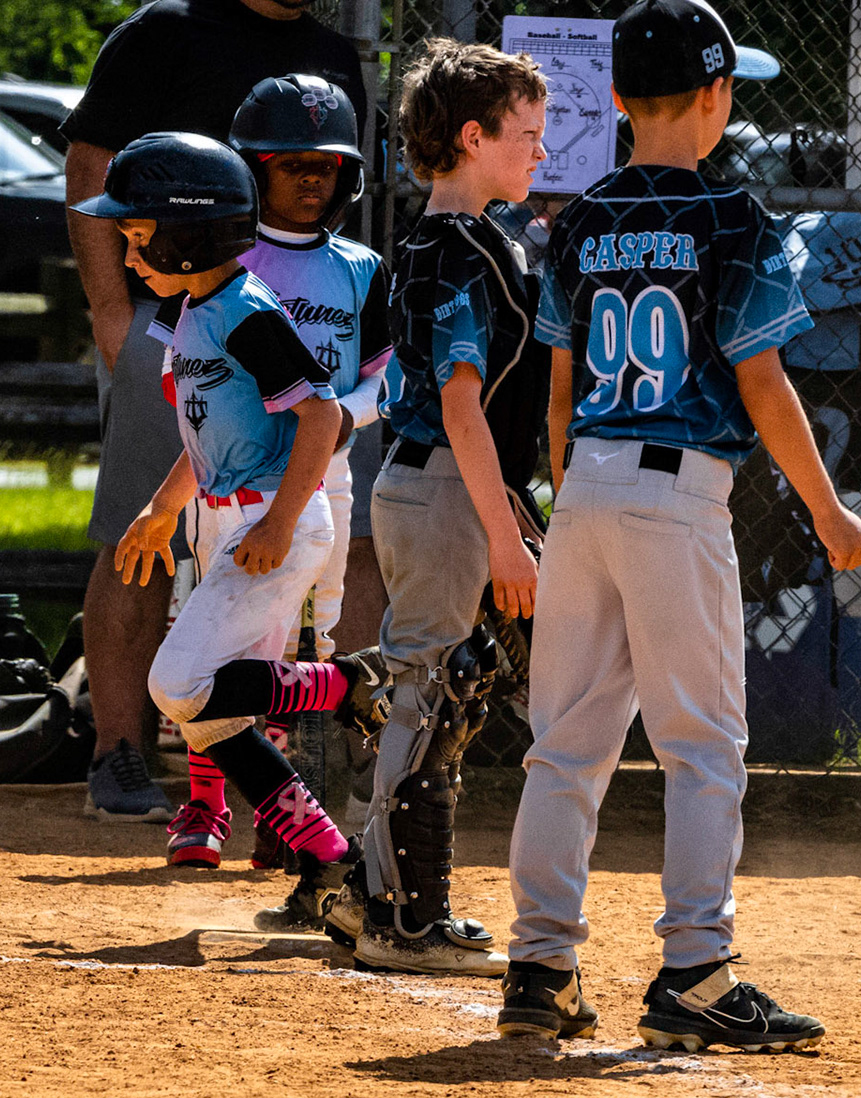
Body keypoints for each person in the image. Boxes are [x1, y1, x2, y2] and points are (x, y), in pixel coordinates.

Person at [498, 0, 861, 1049]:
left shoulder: (578, 221)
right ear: (717, 96)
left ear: (618, 97)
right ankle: (697, 970)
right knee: (703, 745)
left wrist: (576, 499)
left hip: (585, 484)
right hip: (678, 491)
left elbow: (559, 395)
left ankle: (539, 964)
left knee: (565, 745)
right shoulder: (732, 218)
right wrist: (827, 506)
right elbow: (763, 381)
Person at [60, 0, 369, 825]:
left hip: (287, 343)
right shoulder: (165, 31)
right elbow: (91, 163)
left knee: (304, 565)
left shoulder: (334, 54)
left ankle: (312, 763)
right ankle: (119, 749)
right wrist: (112, 311)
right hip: (174, 324)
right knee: (140, 538)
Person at [317, 39, 548, 978]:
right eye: (525, 135)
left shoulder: (458, 240)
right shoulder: (455, 251)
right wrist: (505, 537)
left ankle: (370, 890)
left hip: (452, 484)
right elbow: (460, 405)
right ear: (472, 137)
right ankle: (403, 918)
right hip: (448, 485)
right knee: (432, 693)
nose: (541, 151)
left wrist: (512, 517)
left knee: (447, 686)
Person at [222, 74, 396, 925]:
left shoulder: (360, 268)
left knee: (311, 639)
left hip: (326, 472)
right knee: (230, 642)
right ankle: (218, 805)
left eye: (325, 166)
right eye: (290, 164)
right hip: (237, 477)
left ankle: (299, 834)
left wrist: (334, 422)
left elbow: (383, 381)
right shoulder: (226, 260)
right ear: (251, 169)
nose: (310, 180)